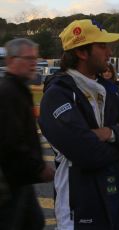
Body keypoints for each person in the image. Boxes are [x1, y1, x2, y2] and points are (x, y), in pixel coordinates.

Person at [38, 19, 119, 230]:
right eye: (102, 46)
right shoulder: (57, 95)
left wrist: (110, 133)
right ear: (82, 53)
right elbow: (87, 153)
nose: (109, 52)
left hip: (117, 208)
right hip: (80, 214)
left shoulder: (106, 91)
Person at [0, 38, 55, 230]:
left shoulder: (20, 90)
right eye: (28, 58)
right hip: (10, 184)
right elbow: (11, 142)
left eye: (35, 58)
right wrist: (39, 168)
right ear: (11, 61)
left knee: (34, 222)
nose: (34, 63)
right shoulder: (8, 93)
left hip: (21, 181)